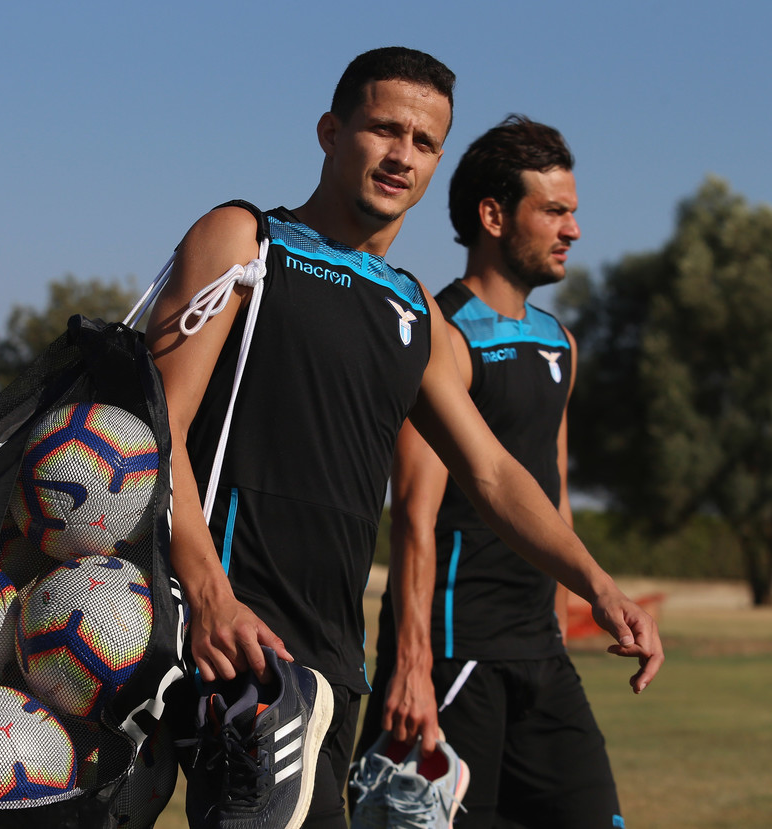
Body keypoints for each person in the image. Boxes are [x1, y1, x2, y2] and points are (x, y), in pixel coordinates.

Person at [145, 49, 662, 829]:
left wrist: (598, 582)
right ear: (330, 131)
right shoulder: (247, 242)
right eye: (384, 129)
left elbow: (491, 473)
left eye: (424, 142)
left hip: (326, 660)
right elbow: (155, 434)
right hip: (211, 634)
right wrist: (212, 594)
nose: (401, 156)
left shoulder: (412, 308)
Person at [354, 115, 628, 828]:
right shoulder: (439, 331)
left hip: (540, 651)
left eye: (574, 211)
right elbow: (413, 515)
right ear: (494, 215)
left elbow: (554, 499)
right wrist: (412, 664)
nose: (573, 229)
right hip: (452, 656)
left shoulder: (559, 342)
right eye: (556, 211)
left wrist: (595, 595)